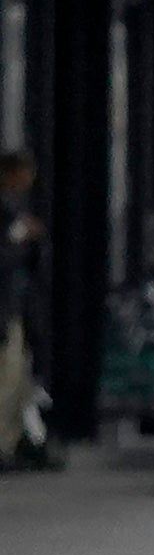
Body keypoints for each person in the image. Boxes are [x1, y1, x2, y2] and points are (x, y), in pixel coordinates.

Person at [0, 151, 42, 471]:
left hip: (13, 306)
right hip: (6, 305)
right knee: (8, 376)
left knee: (16, 374)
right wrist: (20, 236)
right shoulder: (6, 209)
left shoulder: (13, 207)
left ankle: (10, 442)